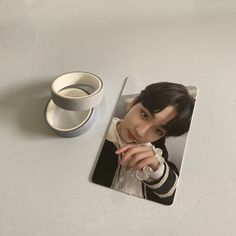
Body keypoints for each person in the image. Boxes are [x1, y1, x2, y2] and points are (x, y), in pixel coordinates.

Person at [92, 82, 195, 205]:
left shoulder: (156, 148)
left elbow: (173, 196)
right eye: (144, 115)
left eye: (158, 131)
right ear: (133, 102)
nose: (140, 132)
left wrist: (157, 169)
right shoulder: (97, 135)